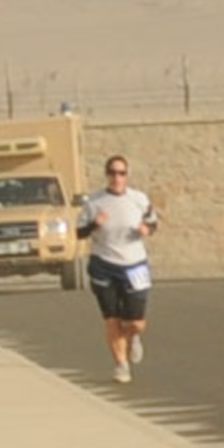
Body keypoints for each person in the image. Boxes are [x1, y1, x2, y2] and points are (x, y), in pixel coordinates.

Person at [76, 154, 158, 385]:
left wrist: (146, 229)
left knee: (135, 321)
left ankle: (133, 337)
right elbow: (79, 233)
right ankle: (121, 366)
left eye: (121, 173)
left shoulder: (139, 199)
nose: (116, 177)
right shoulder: (94, 202)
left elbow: (153, 222)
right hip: (104, 264)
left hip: (134, 264)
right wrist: (95, 224)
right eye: (112, 172)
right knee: (111, 319)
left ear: (127, 176)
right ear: (106, 175)